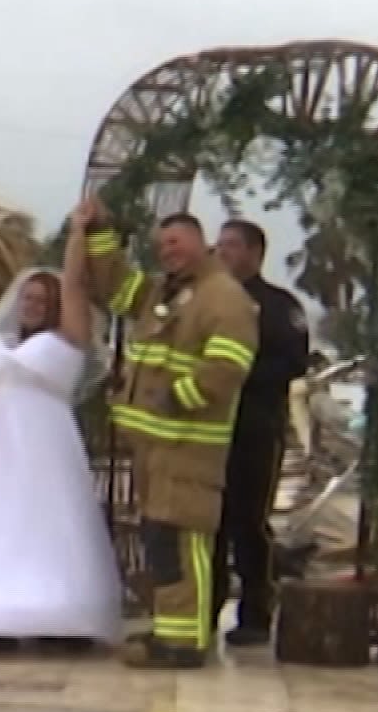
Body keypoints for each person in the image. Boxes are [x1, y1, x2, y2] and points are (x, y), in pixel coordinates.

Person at [0, 218, 121, 653]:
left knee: (52, 524)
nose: (32, 304)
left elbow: (72, 284)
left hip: (47, 448)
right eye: (27, 297)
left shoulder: (68, 338)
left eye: (41, 299)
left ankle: (64, 616)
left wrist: (75, 237)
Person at [82, 201, 259, 669]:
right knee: (162, 539)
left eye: (176, 243)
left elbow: (227, 367)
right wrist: (100, 235)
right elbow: (117, 291)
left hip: (189, 447)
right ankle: (169, 631)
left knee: (186, 543)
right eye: (161, 246)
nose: (168, 253)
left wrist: (175, 396)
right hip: (156, 447)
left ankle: (186, 642)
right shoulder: (165, 290)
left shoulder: (224, 298)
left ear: (202, 243)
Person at [210, 219, 310, 646]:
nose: (222, 251)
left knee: (249, 522)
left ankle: (255, 612)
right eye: (220, 244)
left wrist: (238, 376)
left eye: (231, 245)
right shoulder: (207, 300)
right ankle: (205, 608)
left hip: (256, 428)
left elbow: (294, 362)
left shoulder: (278, 305)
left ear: (254, 252)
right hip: (211, 429)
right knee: (209, 523)